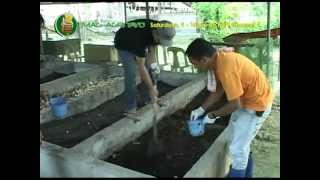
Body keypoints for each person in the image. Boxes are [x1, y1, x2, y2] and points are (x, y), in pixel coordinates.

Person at [186, 38, 274, 178]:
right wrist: (201, 109)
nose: (196, 67)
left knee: (238, 148)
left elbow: (235, 104)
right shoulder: (219, 59)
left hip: (257, 104)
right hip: (246, 98)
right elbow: (220, 89)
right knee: (239, 141)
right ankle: (246, 174)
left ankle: (239, 174)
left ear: (203, 60)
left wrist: (213, 115)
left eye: (194, 64)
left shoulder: (226, 68)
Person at [114, 19, 176, 113]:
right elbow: (141, 67)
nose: (160, 42)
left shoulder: (159, 28)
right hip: (123, 42)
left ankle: (149, 99)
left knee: (150, 71)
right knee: (131, 74)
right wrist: (151, 88)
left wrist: (154, 67)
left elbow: (152, 50)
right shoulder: (140, 39)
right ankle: (130, 107)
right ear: (156, 33)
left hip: (137, 38)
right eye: (160, 40)